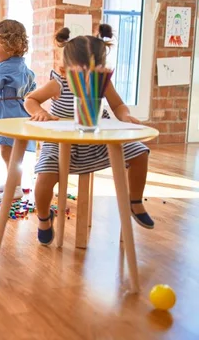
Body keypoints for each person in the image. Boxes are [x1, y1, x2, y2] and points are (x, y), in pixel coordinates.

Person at [24, 24, 153, 246]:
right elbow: (30, 99)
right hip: (60, 142)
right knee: (44, 180)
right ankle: (44, 218)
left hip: (96, 140)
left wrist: (125, 116)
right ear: (65, 71)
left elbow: (119, 104)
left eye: (93, 74)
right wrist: (40, 112)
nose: (87, 80)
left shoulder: (103, 84)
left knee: (140, 152)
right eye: (80, 74)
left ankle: (135, 201)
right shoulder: (59, 84)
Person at [0, 19, 37, 200]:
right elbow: (31, 87)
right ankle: (13, 182)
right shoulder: (20, 65)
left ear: (11, 47)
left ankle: (16, 187)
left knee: (8, 151)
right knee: (10, 150)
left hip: (7, 112)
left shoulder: (6, 68)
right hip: (15, 109)